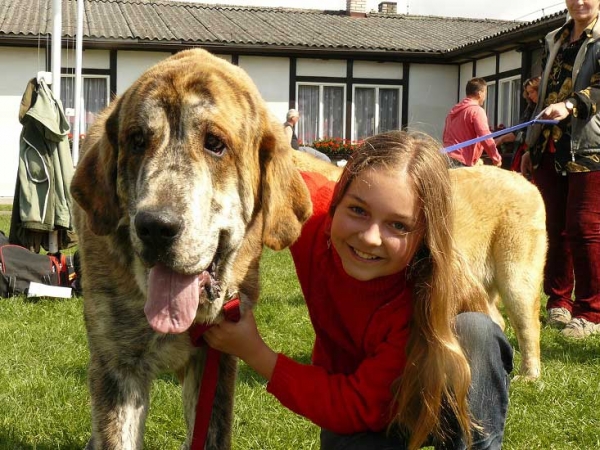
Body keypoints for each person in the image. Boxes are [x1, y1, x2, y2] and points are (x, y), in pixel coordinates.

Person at [205, 130, 513, 449]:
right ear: (337, 201)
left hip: (435, 395)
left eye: (398, 225)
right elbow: (254, 172)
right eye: (358, 210)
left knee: (476, 331)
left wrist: (256, 352)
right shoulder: (310, 215)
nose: (369, 237)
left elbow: (356, 404)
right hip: (364, 418)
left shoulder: (417, 294)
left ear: (424, 235)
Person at [522, 0, 600, 339]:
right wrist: (529, 143)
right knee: (552, 226)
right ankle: (558, 302)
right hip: (549, 144)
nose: (580, 2)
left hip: (589, 146)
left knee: (583, 227)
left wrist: (571, 104)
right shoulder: (555, 37)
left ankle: (591, 312)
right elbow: (543, 97)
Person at [443, 78, 503, 167]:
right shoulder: (477, 111)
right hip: (461, 160)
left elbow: (445, 135)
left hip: (446, 158)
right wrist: (496, 158)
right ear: (479, 93)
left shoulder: (453, 111)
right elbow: (485, 137)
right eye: (485, 93)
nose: (485, 97)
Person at [493, 76, 541, 172]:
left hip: (536, 152)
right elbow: (518, 132)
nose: (530, 96)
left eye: (532, 92)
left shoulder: (542, 108)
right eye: (528, 93)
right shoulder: (530, 109)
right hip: (523, 150)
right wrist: (500, 139)